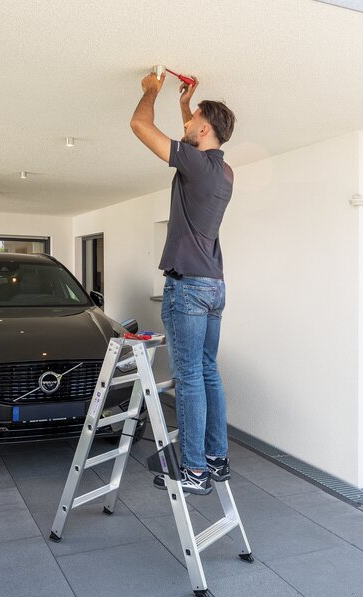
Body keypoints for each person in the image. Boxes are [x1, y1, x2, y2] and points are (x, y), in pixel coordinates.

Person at [130, 70, 236, 495]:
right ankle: (215, 457)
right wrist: (184, 103)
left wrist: (150, 92)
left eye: (192, 121)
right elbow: (192, 133)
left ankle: (193, 471)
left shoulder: (195, 163)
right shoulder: (223, 170)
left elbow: (140, 126)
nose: (186, 124)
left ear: (205, 128)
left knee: (189, 377)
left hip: (189, 287)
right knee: (208, 372)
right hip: (213, 284)